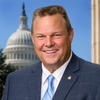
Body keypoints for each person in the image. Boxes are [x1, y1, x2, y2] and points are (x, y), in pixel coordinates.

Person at [2, 5, 100, 100]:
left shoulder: (96, 77)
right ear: (33, 39)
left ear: (70, 35)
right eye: (41, 36)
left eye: (56, 35)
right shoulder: (15, 81)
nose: (48, 43)